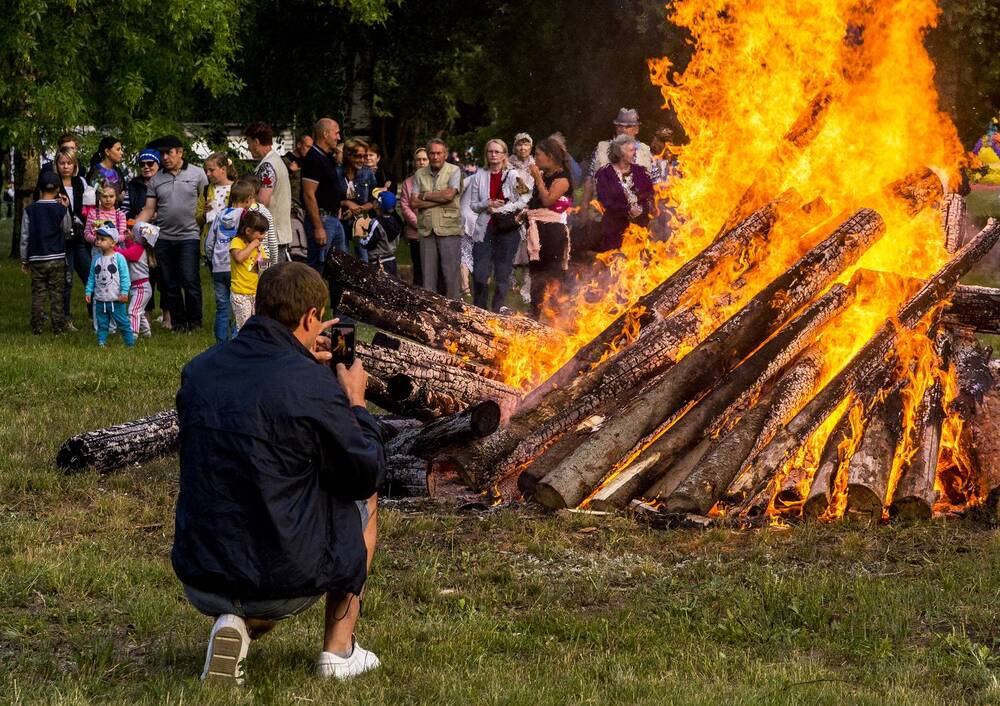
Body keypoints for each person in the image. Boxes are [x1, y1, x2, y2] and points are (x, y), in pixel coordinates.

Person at [172, 262, 385, 684]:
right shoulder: (311, 383)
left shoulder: (200, 370)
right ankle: (339, 652)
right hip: (281, 578)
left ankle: (233, 626)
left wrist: (301, 363)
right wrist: (355, 402)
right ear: (310, 318)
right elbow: (365, 471)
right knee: (364, 497)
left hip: (202, 573)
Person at [135, 135, 209, 332]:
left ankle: (195, 322)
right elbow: (149, 209)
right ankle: (178, 323)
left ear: (180, 152)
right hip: (163, 238)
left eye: (169, 152)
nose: (165, 157)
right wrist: (135, 225)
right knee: (169, 283)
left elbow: (208, 201)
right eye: (162, 153)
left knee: (190, 279)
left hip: (189, 237)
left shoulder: (198, 174)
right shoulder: (156, 180)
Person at [463, 139, 531, 312]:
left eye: (497, 152)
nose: (493, 155)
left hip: (507, 229)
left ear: (504, 155)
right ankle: (480, 310)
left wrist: (502, 209)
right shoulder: (479, 175)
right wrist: (488, 203)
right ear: (486, 154)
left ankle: (497, 310)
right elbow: (473, 205)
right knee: (479, 273)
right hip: (484, 230)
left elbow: (525, 198)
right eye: (490, 151)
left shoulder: (514, 175)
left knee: (502, 274)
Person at [409, 138, 464, 299]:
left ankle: (455, 311)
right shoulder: (420, 174)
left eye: (439, 153)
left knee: (450, 275)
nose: (435, 156)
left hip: (449, 229)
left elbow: (449, 195)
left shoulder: (454, 171)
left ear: (445, 154)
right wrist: (439, 198)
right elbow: (413, 202)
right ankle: (431, 312)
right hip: (426, 230)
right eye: (431, 153)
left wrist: (424, 196)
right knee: (428, 277)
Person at [525, 138, 573, 319]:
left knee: (553, 278)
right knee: (537, 278)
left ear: (550, 156)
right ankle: (534, 317)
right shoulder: (545, 176)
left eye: (537, 154)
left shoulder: (562, 179)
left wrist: (537, 179)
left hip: (552, 233)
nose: (534, 158)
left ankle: (557, 320)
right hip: (538, 230)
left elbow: (547, 200)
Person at [581, 109, 655, 223]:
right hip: (603, 217)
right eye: (620, 126)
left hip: (637, 221)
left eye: (628, 126)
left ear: (636, 129)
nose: (623, 129)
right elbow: (589, 181)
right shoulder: (601, 149)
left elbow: (656, 184)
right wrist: (584, 209)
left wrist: (654, 211)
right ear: (615, 128)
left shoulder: (646, 152)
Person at [21, 171, 71, 334]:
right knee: (57, 293)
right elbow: (66, 229)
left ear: (39, 188)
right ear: (58, 189)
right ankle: (58, 326)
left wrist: (24, 259)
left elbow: (25, 236)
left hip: (36, 258)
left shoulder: (30, 210)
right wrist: (66, 208)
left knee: (38, 292)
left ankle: (37, 326)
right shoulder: (59, 208)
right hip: (56, 257)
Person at [301, 118, 347, 271]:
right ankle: (313, 295)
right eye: (336, 133)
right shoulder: (313, 158)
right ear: (325, 134)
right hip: (322, 220)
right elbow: (308, 194)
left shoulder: (326, 157)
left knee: (340, 266)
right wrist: (318, 227)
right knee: (318, 267)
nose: (339, 137)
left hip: (334, 218)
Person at [594, 134, 655, 252]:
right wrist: (627, 210)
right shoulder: (605, 174)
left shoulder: (640, 171)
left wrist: (643, 206)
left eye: (635, 150)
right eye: (631, 150)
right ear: (620, 153)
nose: (635, 153)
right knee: (615, 264)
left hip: (638, 229)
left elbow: (650, 192)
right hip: (614, 230)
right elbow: (605, 201)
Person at [246, 122, 293, 263]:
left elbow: (262, 201)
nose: (248, 147)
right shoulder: (275, 161)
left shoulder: (267, 166)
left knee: (270, 281)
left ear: (256, 142)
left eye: (248, 142)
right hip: (277, 235)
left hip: (271, 238)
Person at [53, 146, 89, 329]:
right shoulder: (53, 183)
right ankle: (65, 318)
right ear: (57, 165)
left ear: (74, 165)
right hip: (63, 238)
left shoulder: (80, 182)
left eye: (69, 163)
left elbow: (87, 207)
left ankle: (96, 316)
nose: (65, 166)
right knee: (66, 279)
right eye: (62, 163)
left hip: (80, 235)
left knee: (90, 274)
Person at [85, 224, 135, 348]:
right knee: (102, 323)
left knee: (123, 322)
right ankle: (102, 343)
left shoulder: (119, 258)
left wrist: (124, 292)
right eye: (98, 239)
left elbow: (125, 276)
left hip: (116, 300)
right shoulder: (96, 259)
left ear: (113, 243)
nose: (98, 241)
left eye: (103, 239)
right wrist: (88, 291)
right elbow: (92, 277)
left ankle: (130, 344)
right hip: (100, 299)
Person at [204, 205, 244, 343]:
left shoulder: (219, 215)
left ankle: (221, 343)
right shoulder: (244, 215)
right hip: (236, 268)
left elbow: (209, 242)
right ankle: (235, 340)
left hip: (218, 268)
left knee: (222, 307)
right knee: (239, 307)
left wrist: (212, 259)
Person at [228, 210, 270, 330]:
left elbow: (263, 268)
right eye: (261, 233)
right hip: (241, 294)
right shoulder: (237, 242)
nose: (264, 236)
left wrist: (263, 264)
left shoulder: (258, 247)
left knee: (256, 325)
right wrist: (252, 246)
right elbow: (239, 258)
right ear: (248, 231)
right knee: (244, 328)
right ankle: (240, 347)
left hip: (255, 292)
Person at [338, 138, 378, 262]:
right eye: (358, 156)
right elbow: (329, 198)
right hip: (341, 220)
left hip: (362, 219)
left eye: (364, 156)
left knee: (363, 258)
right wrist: (346, 203)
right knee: (342, 256)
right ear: (348, 155)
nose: (362, 160)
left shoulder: (367, 173)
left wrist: (357, 209)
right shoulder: (337, 172)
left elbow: (375, 200)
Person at [119, 221, 157, 338]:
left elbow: (126, 254)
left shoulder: (138, 249)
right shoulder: (139, 248)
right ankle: (146, 333)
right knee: (139, 311)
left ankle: (132, 335)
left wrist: (112, 248)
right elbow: (131, 250)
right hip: (140, 287)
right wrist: (128, 240)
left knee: (133, 311)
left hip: (141, 288)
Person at [230, 176, 279, 265]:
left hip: (258, 258)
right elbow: (272, 240)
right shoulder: (242, 212)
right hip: (248, 257)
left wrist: (274, 262)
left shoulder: (248, 214)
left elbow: (271, 240)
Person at [352, 188, 402, 275]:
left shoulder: (376, 222)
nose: (373, 202)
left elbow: (368, 242)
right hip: (392, 259)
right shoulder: (396, 221)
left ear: (378, 205)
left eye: (375, 200)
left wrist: (360, 238)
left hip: (379, 262)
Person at [398, 148, 428, 286]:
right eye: (418, 159)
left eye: (424, 159)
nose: (421, 162)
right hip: (416, 233)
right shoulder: (408, 183)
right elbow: (404, 206)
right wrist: (419, 223)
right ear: (414, 162)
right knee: (419, 269)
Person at [199, 152, 237, 238]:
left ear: (223, 169)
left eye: (211, 170)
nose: (207, 174)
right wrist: (204, 214)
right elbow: (198, 218)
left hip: (230, 240)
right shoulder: (206, 190)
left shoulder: (237, 188)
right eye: (206, 170)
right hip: (209, 240)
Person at [84, 182, 128, 251]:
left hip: (115, 251)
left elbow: (123, 236)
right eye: (104, 196)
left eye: (111, 196)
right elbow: (86, 234)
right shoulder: (93, 213)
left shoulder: (120, 215)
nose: (108, 199)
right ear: (99, 197)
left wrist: (109, 241)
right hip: (97, 250)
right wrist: (97, 240)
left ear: (116, 197)